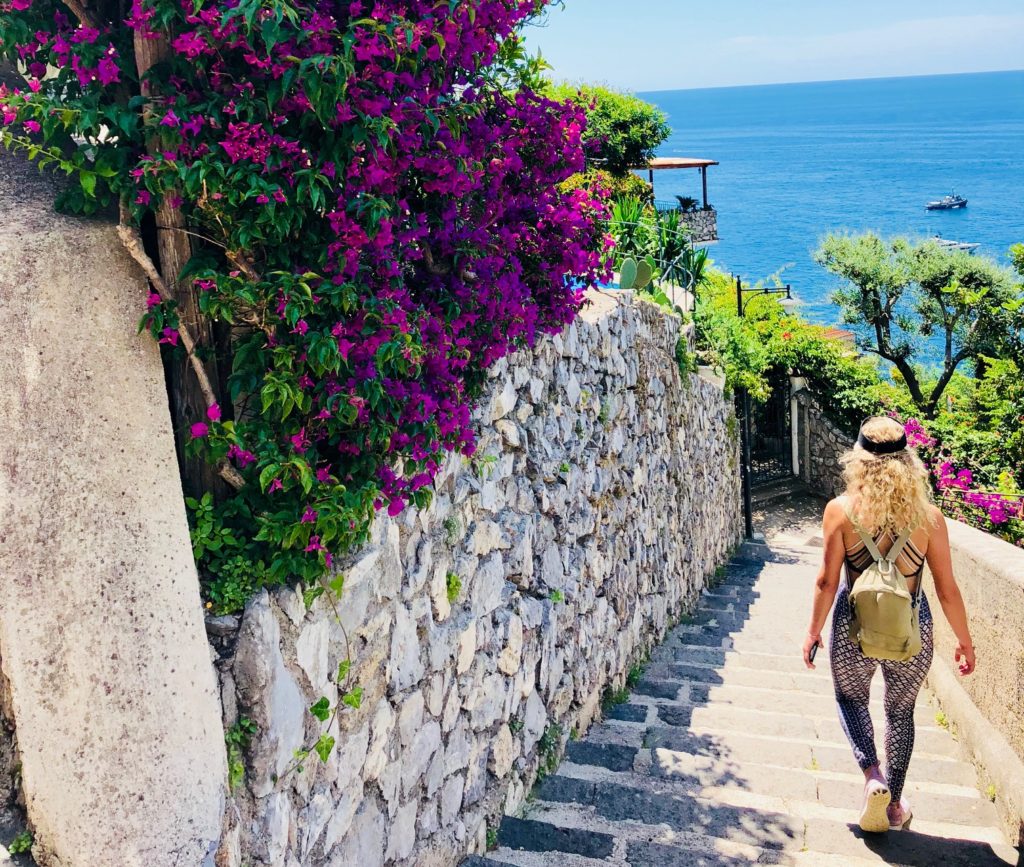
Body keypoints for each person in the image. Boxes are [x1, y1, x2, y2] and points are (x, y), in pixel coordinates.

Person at [802, 416, 975, 833]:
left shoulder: (840, 511)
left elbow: (827, 581)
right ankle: (895, 805)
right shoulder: (929, 518)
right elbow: (948, 589)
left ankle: (872, 777)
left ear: (858, 459)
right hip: (912, 627)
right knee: (901, 713)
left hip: (852, 626)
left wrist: (813, 631)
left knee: (850, 700)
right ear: (908, 460)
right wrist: (965, 642)